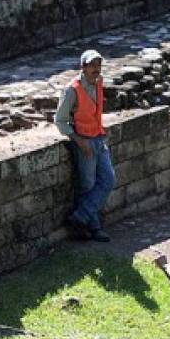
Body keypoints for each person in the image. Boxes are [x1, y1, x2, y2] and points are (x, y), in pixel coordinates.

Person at [54, 49, 115, 242]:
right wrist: (80, 142)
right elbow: (60, 120)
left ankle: (80, 217)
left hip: (98, 137)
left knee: (108, 179)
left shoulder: (98, 82)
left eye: (98, 65)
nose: (96, 69)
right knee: (87, 186)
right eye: (92, 66)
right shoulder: (72, 90)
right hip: (84, 142)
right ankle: (94, 228)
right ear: (84, 67)